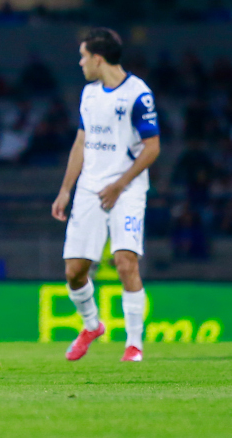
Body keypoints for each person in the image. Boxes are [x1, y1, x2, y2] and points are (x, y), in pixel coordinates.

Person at [51, 28, 161, 363]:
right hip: (89, 188)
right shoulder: (90, 94)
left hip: (126, 189)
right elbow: (81, 143)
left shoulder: (138, 95)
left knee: (125, 261)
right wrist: (66, 190)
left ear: (98, 59)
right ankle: (91, 325)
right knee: (74, 271)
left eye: (84, 56)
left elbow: (152, 147)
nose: (81, 62)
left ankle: (133, 344)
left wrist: (120, 183)